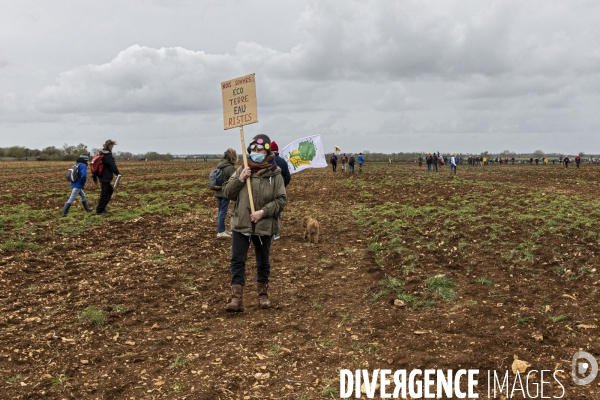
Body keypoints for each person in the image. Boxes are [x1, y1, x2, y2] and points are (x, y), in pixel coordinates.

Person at [222, 134, 287, 312]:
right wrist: (240, 178)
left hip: (264, 226)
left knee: (263, 261)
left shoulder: (275, 173)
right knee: (237, 260)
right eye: (253, 150)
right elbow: (227, 192)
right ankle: (236, 298)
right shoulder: (243, 169)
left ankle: (263, 295)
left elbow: (281, 200)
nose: (256, 153)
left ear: (267, 152)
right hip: (242, 224)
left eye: (260, 150)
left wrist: (263, 212)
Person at [93, 139, 121, 216]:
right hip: (105, 177)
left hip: (101, 176)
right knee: (105, 194)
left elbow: (94, 166)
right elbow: (112, 165)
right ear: (109, 146)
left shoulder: (99, 154)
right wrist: (118, 174)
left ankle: (102, 207)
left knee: (109, 191)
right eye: (112, 146)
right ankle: (99, 211)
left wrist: (94, 177)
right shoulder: (107, 155)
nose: (112, 147)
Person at [214, 148, 237, 238]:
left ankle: (222, 229)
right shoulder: (230, 168)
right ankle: (221, 231)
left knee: (220, 211)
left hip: (218, 191)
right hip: (225, 193)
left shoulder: (220, 165)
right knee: (223, 212)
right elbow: (234, 181)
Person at [270, 141, 291, 240]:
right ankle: (276, 233)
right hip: (279, 190)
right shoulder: (283, 161)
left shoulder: (267, 161)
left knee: (269, 209)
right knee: (277, 209)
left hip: (268, 189)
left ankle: (270, 231)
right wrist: (283, 186)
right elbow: (287, 176)